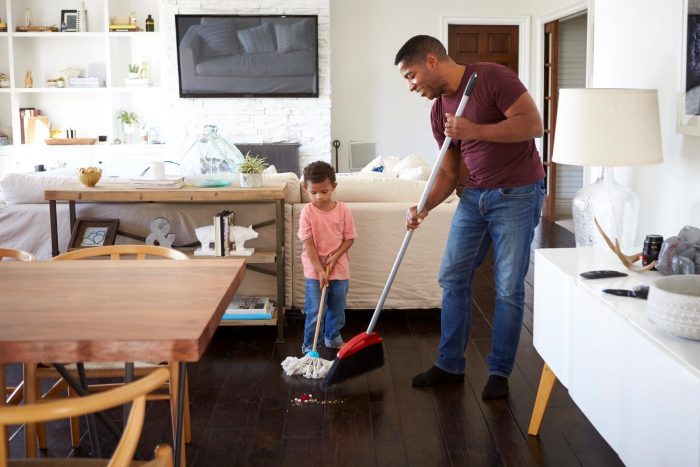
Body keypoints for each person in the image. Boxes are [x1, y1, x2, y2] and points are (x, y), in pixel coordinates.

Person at [395, 35, 545, 400]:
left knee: (508, 286)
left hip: (517, 193)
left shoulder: (492, 77)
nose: (411, 86)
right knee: (452, 276)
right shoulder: (437, 111)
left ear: (431, 60)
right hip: (473, 196)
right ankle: (449, 364)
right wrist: (424, 205)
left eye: (411, 76)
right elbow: (448, 173)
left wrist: (474, 130)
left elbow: (532, 125)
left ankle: (499, 371)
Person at [298, 161, 357, 354]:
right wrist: (321, 270)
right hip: (315, 271)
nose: (319, 197)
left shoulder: (343, 210)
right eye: (313, 192)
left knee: (337, 309)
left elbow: (349, 239)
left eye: (324, 191)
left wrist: (335, 257)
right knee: (315, 311)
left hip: (339, 269)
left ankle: (332, 338)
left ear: (334, 187)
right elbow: (308, 243)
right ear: (305, 188)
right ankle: (309, 346)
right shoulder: (307, 212)